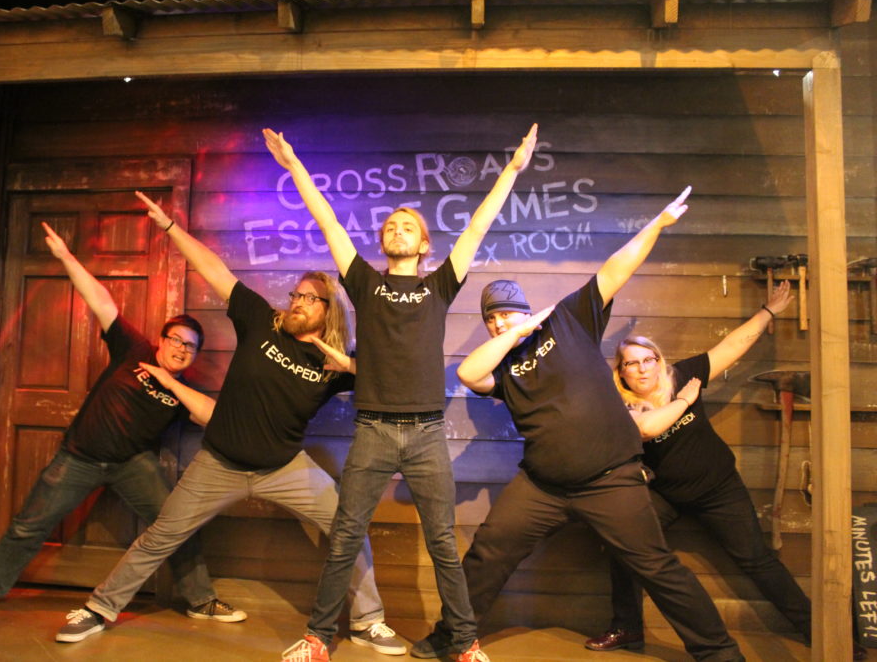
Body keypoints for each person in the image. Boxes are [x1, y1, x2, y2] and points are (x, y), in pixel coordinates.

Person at [54, 192, 405, 654]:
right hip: (218, 463)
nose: (299, 302)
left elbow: (395, 376)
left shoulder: (332, 362)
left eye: (311, 299)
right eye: (296, 294)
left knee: (347, 525)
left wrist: (351, 368)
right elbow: (215, 270)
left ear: (329, 311)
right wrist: (169, 228)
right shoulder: (262, 321)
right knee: (161, 534)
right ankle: (99, 608)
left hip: (285, 468)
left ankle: (368, 621)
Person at [418, 188, 747, 661]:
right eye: (492, 319)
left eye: (507, 313)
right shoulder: (501, 365)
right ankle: (451, 637)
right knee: (488, 553)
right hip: (543, 486)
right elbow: (470, 374)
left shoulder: (568, 321)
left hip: (610, 479)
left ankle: (719, 652)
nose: (498, 324)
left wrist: (655, 225)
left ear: (527, 309)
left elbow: (616, 268)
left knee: (657, 567)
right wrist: (512, 334)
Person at [267, 123, 540, 662]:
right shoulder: (365, 283)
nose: (397, 228)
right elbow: (326, 221)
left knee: (443, 543)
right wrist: (294, 166)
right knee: (345, 538)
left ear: (423, 244)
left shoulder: (440, 284)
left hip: (427, 435)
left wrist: (511, 171)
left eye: (408, 225)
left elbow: (478, 228)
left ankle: (464, 643)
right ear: (384, 240)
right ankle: (319, 637)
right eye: (391, 224)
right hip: (371, 430)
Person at [0, 222, 239, 627]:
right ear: (161, 339)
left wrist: (172, 383)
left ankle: (200, 600)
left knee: (174, 524)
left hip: (134, 464)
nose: (181, 349)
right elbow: (101, 300)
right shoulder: (133, 350)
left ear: (195, 355)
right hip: (78, 456)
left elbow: (212, 417)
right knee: (31, 524)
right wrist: (65, 257)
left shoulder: (184, 390)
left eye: (190, 346)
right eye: (176, 339)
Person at [586, 279, 865, 660]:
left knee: (758, 560)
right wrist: (684, 402)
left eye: (647, 358)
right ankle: (627, 626)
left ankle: (822, 632)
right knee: (625, 544)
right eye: (631, 363)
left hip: (719, 489)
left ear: (659, 360)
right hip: (665, 493)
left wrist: (769, 311)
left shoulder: (683, 376)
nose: (642, 368)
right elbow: (646, 429)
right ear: (621, 372)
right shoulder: (621, 406)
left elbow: (733, 346)